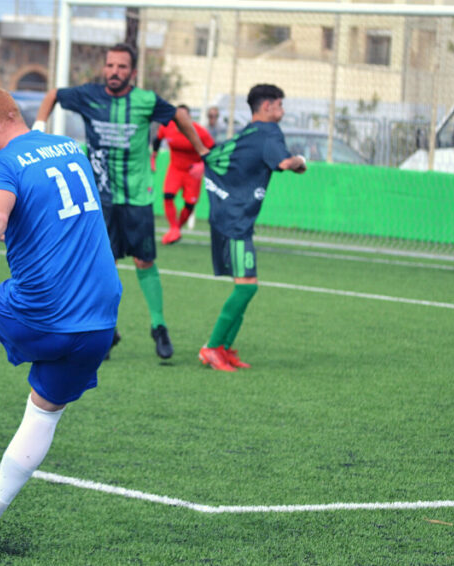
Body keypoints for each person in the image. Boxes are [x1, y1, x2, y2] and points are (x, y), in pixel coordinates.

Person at [0, 86, 122, 553]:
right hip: (100, 316)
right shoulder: (67, 147)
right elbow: (40, 214)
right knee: (44, 413)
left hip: (42, 307)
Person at [33, 43, 209, 360]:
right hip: (100, 198)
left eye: (122, 67)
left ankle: (159, 327)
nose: (115, 71)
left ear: (133, 72)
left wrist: (202, 151)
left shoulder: (145, 101)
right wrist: (38, 130)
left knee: (144, 261)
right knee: (104, 264)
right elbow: (53, 95)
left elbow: (180, 116)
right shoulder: (88, 95)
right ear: (105, 68)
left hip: (137, 197)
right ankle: (106, 331)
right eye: (111, 65)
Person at [198, 84, 307, 372]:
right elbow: (284, 162)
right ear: (267, 106)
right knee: (247, 287)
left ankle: (223, 348)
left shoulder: (249, 133)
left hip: (232, 216)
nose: (282, 111)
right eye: (280, 105)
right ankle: (212, 347)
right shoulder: (269, 132)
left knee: (246, 286)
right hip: (235, 221)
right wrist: (301, 161)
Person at [151, 104, 214, 245]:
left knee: (190, 204)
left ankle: (176, 229)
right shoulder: (167, 127)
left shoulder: (200, 132)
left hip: (193, 172)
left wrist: (202, 166)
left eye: (183, 117)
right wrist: (153, 157)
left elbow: (213, 150)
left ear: (189, 117)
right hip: (175, 168)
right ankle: (174, 229)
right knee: (168, 195)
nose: (180, 120)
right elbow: (157, 140)